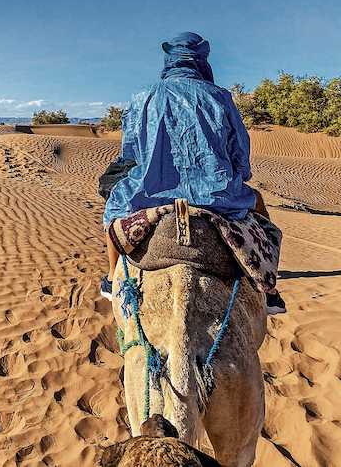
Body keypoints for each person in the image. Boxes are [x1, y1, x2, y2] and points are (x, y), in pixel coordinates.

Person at [100, 32, 286, 314]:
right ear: (202, 61)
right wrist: (237, 177)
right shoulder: (220, 96)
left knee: (115, 208)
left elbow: (131, 151)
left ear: (169, 60)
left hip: (150, 194)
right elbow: (240, 153)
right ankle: (269, 290)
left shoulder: (142, 96)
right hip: (218, 196)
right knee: (257, 204)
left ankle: (112, 279)